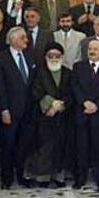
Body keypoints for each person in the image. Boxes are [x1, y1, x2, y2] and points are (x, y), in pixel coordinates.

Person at [0, 26, 36, 189]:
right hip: (10, 111)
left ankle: (21, 175)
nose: (26, 40)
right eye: (23, 38)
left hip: (28, 110)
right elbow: (0, 86)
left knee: (23, 145)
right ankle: (7, 178)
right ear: (12, 39)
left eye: (26, 38)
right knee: (8, 145)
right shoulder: (1, 58)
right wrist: (4, 109)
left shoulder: (29, 56)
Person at [72, 39, 99, 192]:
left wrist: (97, 105)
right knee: (80, 148)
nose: (92, 51)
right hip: (82, 113)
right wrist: (84, 102)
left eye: (95, 48)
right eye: (90, 48)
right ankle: (79, 179)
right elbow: (75, 87)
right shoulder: (78, 67)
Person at [27, 42, 73, 188]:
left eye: (57, 56)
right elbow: (35, 91)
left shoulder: (68, 73)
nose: (54, 58)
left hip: (62, 116)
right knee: (43, 148)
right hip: (43, 115)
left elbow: (71, 93)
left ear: (62, 57)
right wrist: (50, 104)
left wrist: (60, 105)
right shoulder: (39, 72)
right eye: (51, 56)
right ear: (45, 57)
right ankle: (42, 178)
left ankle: (58, 177)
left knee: (60, 147)